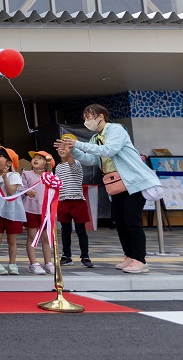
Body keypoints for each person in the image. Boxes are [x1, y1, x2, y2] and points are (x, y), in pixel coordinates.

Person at [62, 104, 162, 275]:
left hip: (133, 182)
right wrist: (73, 151)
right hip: (116, 185)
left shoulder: (116, 130)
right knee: (120, 223)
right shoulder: (95, 138)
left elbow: (109, 150)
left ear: (100, 116)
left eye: (88, 117)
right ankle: (129, 256)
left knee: (131, 220)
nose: (86, 121)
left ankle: (140, 260)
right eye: (84, 118)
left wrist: (78, 143)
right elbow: (91, 159)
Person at [52, 140, 94, 268]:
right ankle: (66, 256)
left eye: (65, 148)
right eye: (60, 148)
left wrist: (69, 154)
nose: (62, 150)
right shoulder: (58, 167)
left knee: (81, 230)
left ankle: (85, 256)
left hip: (77, 200)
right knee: (65, 230)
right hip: (63, 200)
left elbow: (73, 166)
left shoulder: (76, 163)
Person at [0, 147, 25, 275]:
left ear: (9, 163)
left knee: (12, 239)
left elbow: (10, 192)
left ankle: (12, 264)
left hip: (11, 212)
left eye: (1, 156)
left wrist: (5, 178)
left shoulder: (14, 175)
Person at [21, 151, 54, 275]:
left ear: (46, 163)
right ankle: (33, 263)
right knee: (32, 236)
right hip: (31, 209)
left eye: (40, 158)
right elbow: (21, 187)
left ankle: (48, 262)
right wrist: (26, 191)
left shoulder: (50, 176)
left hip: (46, 211)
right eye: (34, 158)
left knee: (46, 237)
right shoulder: (27, 174)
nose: (35, 159)